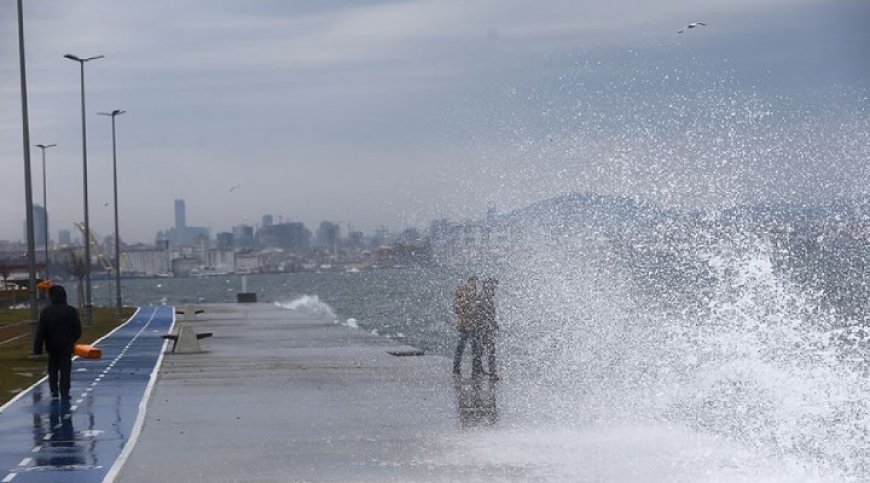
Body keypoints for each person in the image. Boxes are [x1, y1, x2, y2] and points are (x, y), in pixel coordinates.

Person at [33, 285, 82, 399]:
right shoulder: (71, 311)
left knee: (53, 369)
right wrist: (71, 340)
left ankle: (54, 391)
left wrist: (37, 349)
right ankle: (64, 391)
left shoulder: (46, 312)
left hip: (52, 346)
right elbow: (78, 330)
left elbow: (41, 332)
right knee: (66, 369)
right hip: (66, 346)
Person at [452, 276, 479, 376]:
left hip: (466, 324)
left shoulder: (464, 294)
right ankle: (474, 369)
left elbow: (457, 308)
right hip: (468, 324)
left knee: (463, 346)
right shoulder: (467, 293)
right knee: (471, 347)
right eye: (474, 283)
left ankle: (457, 367)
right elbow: (462, 309)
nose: (475, 285)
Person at [477, 278, 499, 380]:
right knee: (489, 351)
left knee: (483, 351)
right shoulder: (484, 298)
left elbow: (488, 315)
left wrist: (494, 324)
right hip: (485, 329)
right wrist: (491, 325)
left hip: (485, 329)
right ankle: (491, 372)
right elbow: (484, 315)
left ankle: (480, 370)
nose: (495, 289)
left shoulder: (485, 297)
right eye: (493, 287)